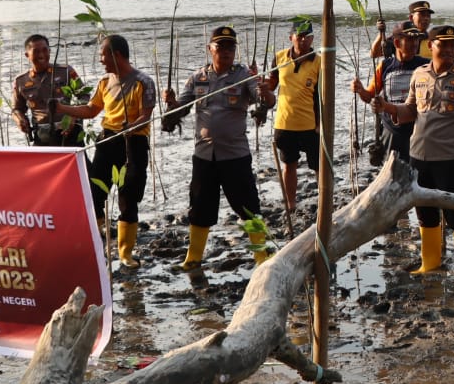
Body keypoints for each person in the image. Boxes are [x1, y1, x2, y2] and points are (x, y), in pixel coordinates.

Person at [375, 24, 454, 277]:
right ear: (431, 45)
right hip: (419, 155)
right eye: (443, 44)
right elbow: (410, 110)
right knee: (425, 213)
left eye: (452, 45)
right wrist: (387, 107)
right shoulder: (420, 74)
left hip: (450, 157)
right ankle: (430, 262)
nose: (448, 49)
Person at [162, 26, 274, 270]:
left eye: (230, 47)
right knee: (200, 208)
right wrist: (170, 104)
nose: (226, 51)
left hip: (235, 155)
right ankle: (193, 258)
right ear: (210, 49)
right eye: (220, 46)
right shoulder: (197, 78)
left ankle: (261, 256)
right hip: (204, 156)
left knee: (249, 208)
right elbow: (181, 108)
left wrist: (266, 93)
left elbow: (265, 101)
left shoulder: (244, 75)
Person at [56, 34, 157, 268]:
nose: (101, 60)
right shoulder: (104, 82)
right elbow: (91, 110)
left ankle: (125, 254)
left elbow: (146, 116)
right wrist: (63, 108)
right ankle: (100, 238)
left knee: (128, 197)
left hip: (134, 143)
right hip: (108, 141)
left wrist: (131, 127)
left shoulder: (143, 82)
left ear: (116, 55)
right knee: (94, 192)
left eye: (103, 55)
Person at [265, 16, 322, 214]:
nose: (304, 40)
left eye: (308, 36)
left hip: (310, 124)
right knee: (289, 165)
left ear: (313, 39)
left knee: (318, 166)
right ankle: (290, 203)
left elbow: (322, 96)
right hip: (285, 123)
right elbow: (271, 87)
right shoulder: (280, 58)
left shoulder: (319, 62)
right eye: (300, 36)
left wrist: (320, 123)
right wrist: (262, 88)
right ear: (291, 37)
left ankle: (324, 202)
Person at [353, 20, 429, 167]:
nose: (414, 44)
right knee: (392, 171)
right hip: (392, 130)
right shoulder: (385, 66)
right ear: (396, 43)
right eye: (409, 39)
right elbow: (370, 97)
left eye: (416, 39)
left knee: (418, 172)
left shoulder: (425, 65)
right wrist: (360, 90)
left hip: (418, 127)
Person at [12, 33, 84, 146]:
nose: (42, 55)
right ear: (27, 55)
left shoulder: (66, 71)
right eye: (36, 51)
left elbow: (84, 95)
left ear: (50, 51)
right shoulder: (21, 81)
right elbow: (17, 109)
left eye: (45, 50)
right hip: (42, 136)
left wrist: (74, 116)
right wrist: (20, 120)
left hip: (69, 131)